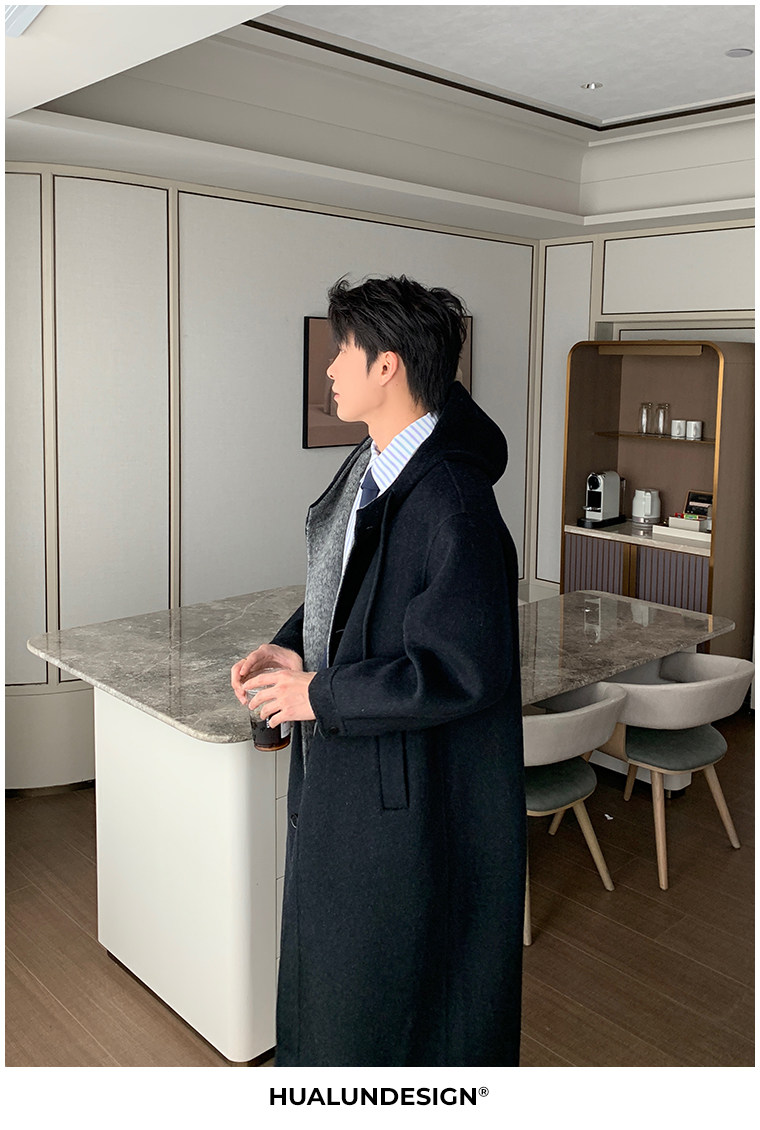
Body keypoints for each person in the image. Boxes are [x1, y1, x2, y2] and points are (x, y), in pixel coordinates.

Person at [231, 275, 525, 1067]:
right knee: (340, 988)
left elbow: (461, 669)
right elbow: (352, 591)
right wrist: (294, 647)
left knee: (381, 1003)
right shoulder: (377, 465)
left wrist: (317, 694)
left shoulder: (452, 500)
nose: (331, 369)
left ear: (387, 365)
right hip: (356, 774)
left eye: (343, 351)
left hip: (401, 802)